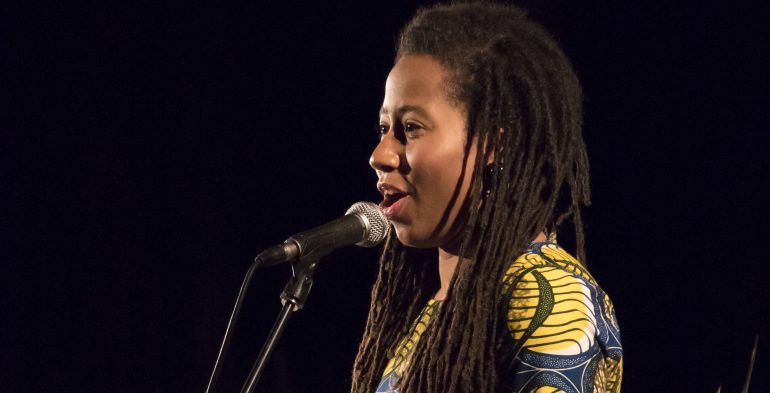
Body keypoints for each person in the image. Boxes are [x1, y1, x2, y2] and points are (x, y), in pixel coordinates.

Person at [350, 3, 623, 393]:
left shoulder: (546, 293)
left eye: (410, 128)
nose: (380, 155)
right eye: (383, 128)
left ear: (493, 146)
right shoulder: (439, 309)